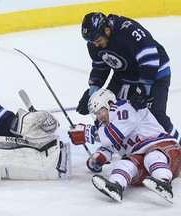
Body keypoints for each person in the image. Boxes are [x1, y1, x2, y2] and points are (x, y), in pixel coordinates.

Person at [76, 12, 181, 144]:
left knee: (155, 117)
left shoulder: (129, 31)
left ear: (107, 30)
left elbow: (150, 59)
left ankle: (178, 145)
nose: (96, 45)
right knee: (106, 111)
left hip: (154, 74)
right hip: (124, 76)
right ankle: (115, 147)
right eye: (93, 42)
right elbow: (100, 67)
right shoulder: (94, 43)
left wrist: (144, 89)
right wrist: (92, 92)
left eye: (98, 41)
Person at [69, 88, 181, 203]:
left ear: (109, 104)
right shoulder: (105, 126)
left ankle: (164, 181)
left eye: (99, 112)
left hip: (167, 151)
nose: (98, 118)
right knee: (124, 163)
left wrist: (87, 133)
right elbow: (109, 145)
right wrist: (99, 157)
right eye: (95, 114)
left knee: (152, 156)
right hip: (144, 163)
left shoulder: (126, 108)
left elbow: (112, 135)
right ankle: (116, 186)